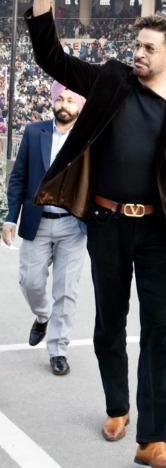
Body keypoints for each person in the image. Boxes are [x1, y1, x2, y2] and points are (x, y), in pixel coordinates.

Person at [26, 0, 166, 468]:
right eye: (138, 45)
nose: (140, 53)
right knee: (110, 324)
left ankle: (153, 440)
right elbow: (52, 58)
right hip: (106, 222)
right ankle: (116, 406)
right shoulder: (110, 80)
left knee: (158, 331)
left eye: (150, 48)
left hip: (157, 234)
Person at [1, 81, 87, 376]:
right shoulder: (34, 132)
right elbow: (18, 177)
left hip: (73, 226)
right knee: (30, 282)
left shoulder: (89, 137)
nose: (64, 105)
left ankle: (58, 349)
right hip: (37, 222)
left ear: (80, 106)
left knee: (66, 290)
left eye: (71, 100)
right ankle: (43, 316)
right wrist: (10, 218)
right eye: (61, 99)